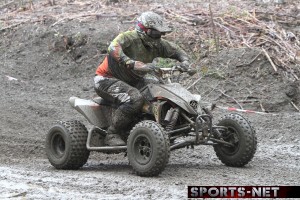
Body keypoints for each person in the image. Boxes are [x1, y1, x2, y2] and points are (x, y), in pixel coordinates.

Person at [94, 11, 192, 146]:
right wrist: (129, 62)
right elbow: (113, 47)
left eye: (161, 34)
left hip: (134, 80)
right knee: (135, 98)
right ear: (144, 30)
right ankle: (112, 133)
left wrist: (185, 62)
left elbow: (177, 51)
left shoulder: (158, 44)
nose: (159, 37)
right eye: (155, 33)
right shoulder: (130, 38)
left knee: (160, 89)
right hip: (106, 79)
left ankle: (168, 128)